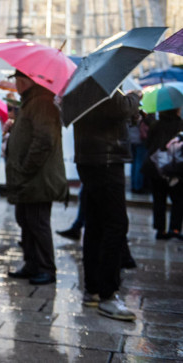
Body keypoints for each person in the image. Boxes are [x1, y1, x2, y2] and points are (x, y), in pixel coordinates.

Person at [73, 90, 141, 321]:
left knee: (95, 224)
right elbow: (120, 108)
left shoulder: (81, 84)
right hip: (107, 160)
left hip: (90, 158)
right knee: (115, 224)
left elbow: (113, 115)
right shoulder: (105, 85)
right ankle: (108, 295)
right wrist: (135, 97)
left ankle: (92, 289)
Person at [6, 71, 67, 286]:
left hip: (38, 179)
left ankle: (46, 268)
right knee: (26, 220)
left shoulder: (41, 103)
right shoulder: (30, 103)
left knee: (38, 222)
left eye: (18, 80)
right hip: (28, 179)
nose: (15, 83)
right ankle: (32, 263)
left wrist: (25, 167)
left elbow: (44, 140)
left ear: (26, 81)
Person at [142, 108, 183, 240]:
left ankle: (160, 230)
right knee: (178, 199)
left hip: (156, 167)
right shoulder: (181, 124)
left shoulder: (156, 125)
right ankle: (175, 229)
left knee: (159, 199)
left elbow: (147, 144)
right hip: (175, 168)